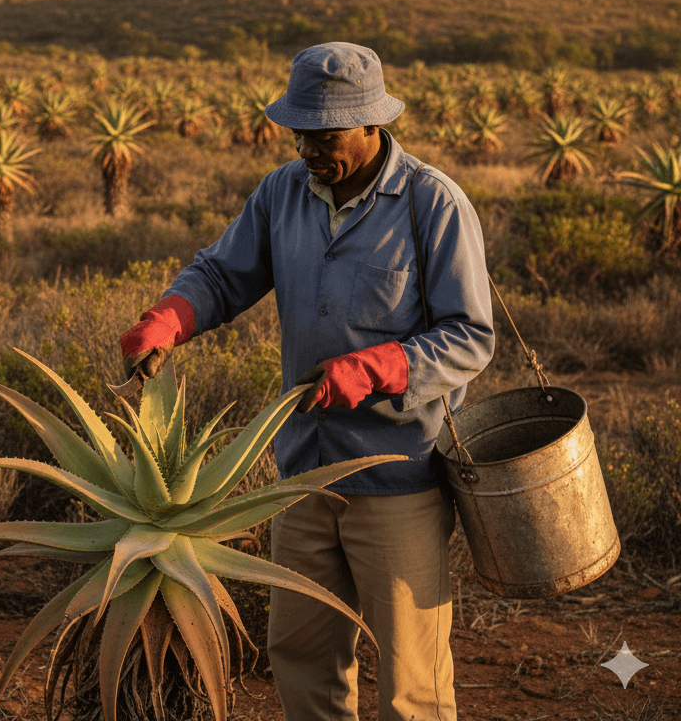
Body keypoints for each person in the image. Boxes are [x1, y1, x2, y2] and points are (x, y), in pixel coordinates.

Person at [119, 42, 494, 721]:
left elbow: (471, 336)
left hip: (397, 481)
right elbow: (222, 275)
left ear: (371, 126)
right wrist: (170, 317)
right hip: (304, 474)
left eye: (325, 135)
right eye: (300, 132)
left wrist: (376, 370)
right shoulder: (281, 194)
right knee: (302, 662)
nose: (309, 149)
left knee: (412, 685)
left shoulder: (431, 204)